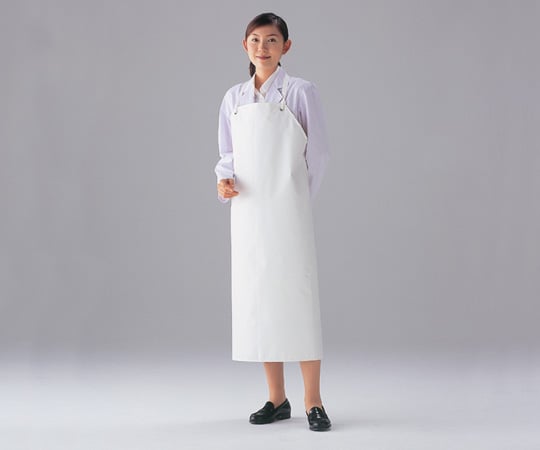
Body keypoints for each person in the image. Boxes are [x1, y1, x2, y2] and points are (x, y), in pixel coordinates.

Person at [214, 12, 331, 432]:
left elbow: (318, 154)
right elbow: (228, 154)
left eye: (271, 40)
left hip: (287, 208)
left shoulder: (300, 92)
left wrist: (296, 198)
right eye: (255, 40)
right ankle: (276, 398)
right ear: (244, 45)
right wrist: (224, 181)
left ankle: (313, 400)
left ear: (286, 47)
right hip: (249, 212)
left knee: (298, 298)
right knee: (261, 299)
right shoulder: (234, 98)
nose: (262, 48)